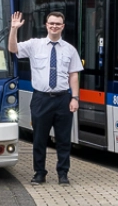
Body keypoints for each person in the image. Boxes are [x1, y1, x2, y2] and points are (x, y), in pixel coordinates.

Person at [8, 11, 81, 185]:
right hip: (41, 99)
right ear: (46, 25)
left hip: (63, 99)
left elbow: (74, 76)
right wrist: (14, 29)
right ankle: (39, 173)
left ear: (62, 27)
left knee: (64, 140)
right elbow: (13, 49)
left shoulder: (70, 49)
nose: (54, 26)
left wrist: (75, 98)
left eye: (58, 24)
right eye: (51, 23)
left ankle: (63, 174)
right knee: (39, 139)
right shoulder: (35, 45)